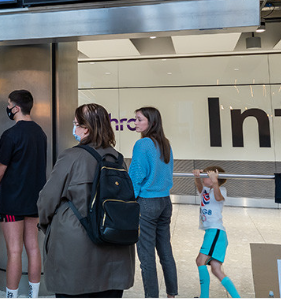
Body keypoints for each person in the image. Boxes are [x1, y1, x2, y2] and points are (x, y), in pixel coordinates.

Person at [38, 103, 135, 298]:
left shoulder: (71, 157)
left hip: (76, 254)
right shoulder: (117, 159)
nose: (74, 128)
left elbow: (47, 199)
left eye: (76, 124)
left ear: (87, 129)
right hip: (116, 253)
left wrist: (47, 226)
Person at [0, 89, 47, 298]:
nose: (7, 108)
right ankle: (33, 295)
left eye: (9, 104)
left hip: (12, 200)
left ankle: (11, 295)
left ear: (16, 108)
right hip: (35, 199)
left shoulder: (10, 135)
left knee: (14, 251)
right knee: (33, 248)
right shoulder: (40, 133)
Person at [129, 106, 178, 298]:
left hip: (147, 203)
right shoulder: (165, 144)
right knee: (165, 251)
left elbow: (136, 176)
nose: (135, 122)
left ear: (152, 122)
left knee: (146, 256)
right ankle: (172, 294)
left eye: (139, 119)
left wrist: (129, 200)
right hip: (165, 201)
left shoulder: (142, 144)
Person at [193, 167, 241, 298]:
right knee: (216, 269)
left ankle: (204, 296)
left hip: (215, 232)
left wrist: (214, 182)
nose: (204, 178)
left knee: (200, 260)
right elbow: (199, 187)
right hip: (212, 233)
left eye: (207, 176)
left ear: (215, 179)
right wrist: (197, 177)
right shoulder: (205, 190)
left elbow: (218, 197)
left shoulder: (221, 190)